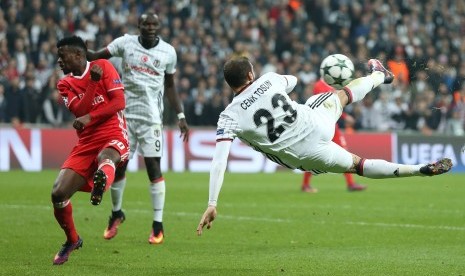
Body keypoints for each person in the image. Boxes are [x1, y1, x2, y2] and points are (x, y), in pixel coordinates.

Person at [196, 56, 452, 235]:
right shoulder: (270, 79)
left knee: (358, 165)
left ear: (230, 84)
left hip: (305, 156)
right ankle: (378, 76)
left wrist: (212, 202)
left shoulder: (228, 117)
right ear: (251, 74)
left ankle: (418, 169)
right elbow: (293, 80)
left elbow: (219, 161)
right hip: (316, 122)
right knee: (339, 97)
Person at [87, 12, 189, 244]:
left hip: (152, 119)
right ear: (139, 25)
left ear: (159, 26)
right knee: (120, 166)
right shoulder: (126, 43)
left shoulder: (168, 52)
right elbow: (98, 56)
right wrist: (84, 53)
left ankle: (157, 225)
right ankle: (116, 214)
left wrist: (181, 114)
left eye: (154, 24)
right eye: (146, 24)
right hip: (124, 117)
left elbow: (170, 86)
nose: (150, 27)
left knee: (153, 168)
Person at [52, 35, 129, 265]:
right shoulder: (64, 83)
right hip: (86, 141)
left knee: (107, 157)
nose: (59, 61)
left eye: (62, 56)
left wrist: (91, 117)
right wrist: (93, 84)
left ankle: (100, 184)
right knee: (58, 194)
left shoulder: (104, 65)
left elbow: (119, 102)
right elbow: (79, 111)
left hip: (113, 131)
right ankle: (72, 239)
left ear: (78, 54)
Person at [301, 70, 366, 193]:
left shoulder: (330, 85)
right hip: (321, 126)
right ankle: (305, 184)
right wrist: (345, 116)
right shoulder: (320, 86)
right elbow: (327, 106)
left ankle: (351, 183)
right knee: (314, 155)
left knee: (344, 152)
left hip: (332, 125)